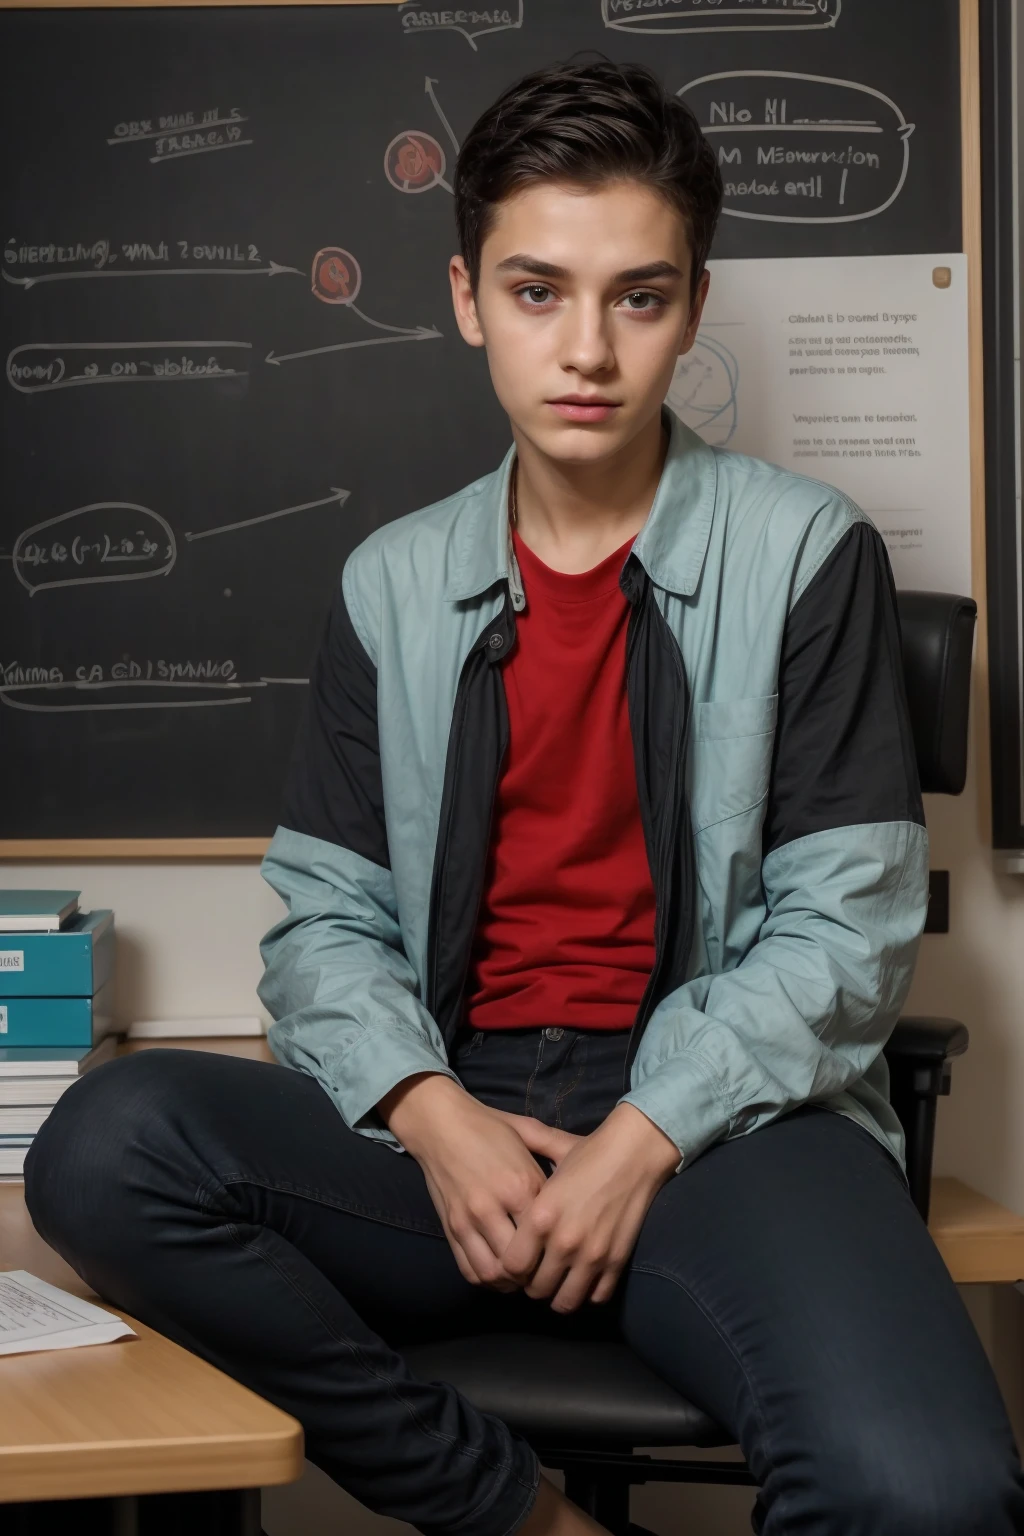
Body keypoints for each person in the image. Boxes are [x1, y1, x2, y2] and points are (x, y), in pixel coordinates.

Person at [25, 58, 1024, 1536]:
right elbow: (324, 926)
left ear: (690, 306)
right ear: (464, 298)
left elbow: (848, 932)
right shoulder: (392, 583)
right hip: (456, 1124)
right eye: (538, 290)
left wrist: (642, 1136)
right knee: (104, 1148)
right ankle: (523, 1519)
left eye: (639, 296)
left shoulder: (810, 551)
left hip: (723, 1132)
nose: (589, 352)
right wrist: (430, 1110)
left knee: (926, 1491)